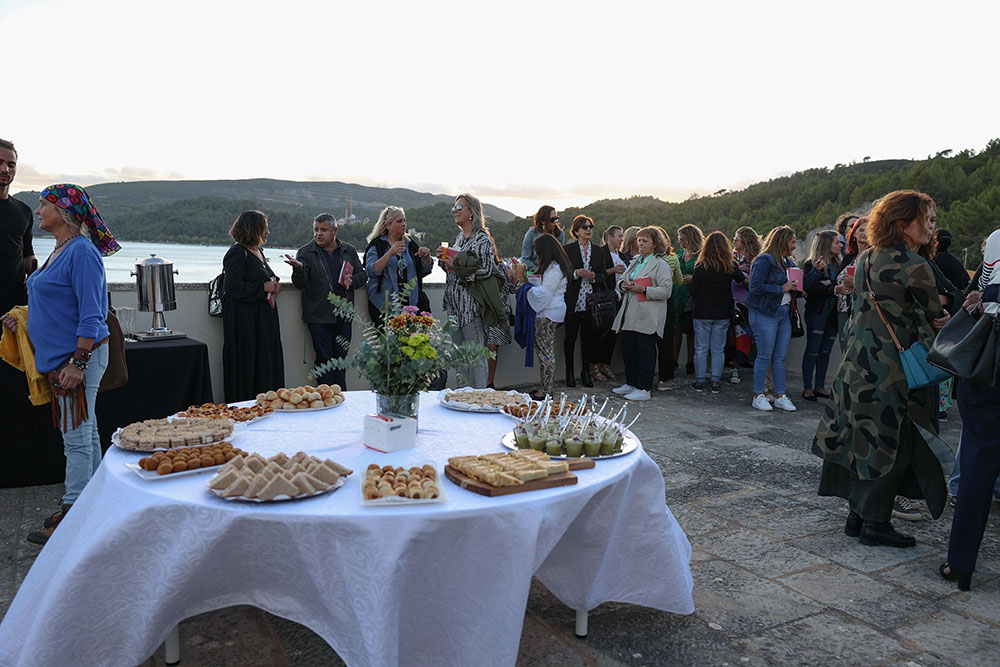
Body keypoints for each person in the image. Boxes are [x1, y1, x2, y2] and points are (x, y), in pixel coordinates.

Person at [813, 190, 949, 549]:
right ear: (903, 225)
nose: (931, 226)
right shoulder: (915, 266)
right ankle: (875, 522)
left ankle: (857, 516)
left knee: (863, 437)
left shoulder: (869, 257)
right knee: (893, 444)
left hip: (858, 364)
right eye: (926, 219)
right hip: (895, 371)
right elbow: (934, 316)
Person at [1, 184, 119, 544]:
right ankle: (98, 508)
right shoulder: (61, 249)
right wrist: (22, 317)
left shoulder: (81, 252)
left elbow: (92, 314)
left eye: (43, 205)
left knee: (77, 438)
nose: (37, 211)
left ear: (63, 211)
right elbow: (54, 300)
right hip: (63, 359)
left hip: (76, 359)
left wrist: (78, 363)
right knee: (84, 433)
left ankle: (73, 516)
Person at [942, 228, 1000, 590]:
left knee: (977, 466)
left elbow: (980, 293)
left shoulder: (996, 239)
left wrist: (983, 297)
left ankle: (961, 564)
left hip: (991, 363)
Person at [285, 213, 367, 389]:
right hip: (318, 316)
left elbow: (363, 275)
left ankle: (341, 398)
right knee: (324, 359)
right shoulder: (305, 252)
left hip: (344, 315)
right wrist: (298, 269)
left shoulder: (349, 250)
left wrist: (353, 281)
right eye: (315, 230)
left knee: (341, 361)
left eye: (323, 230)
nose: (318, 234)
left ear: (335, 231)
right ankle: (326, 399)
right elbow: (300, 284)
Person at [222, 210, 284, 403]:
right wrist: (262, 287)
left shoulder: (258, 252)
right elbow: (232, 287)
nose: (268, 232)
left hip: (262, 320)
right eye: (265, 228)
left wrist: (273, 285)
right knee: (248, 364)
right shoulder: (237, 253)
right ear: (253, 229)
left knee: (265, 363)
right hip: (246, 323)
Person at [438, 193, 495, 388]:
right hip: (453, 307)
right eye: (453, 208)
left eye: (459, 208)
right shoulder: (460, 238)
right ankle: (461, 398)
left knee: (477, 355)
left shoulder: (482, 240)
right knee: (460, 356)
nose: (455, 211)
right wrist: (445, 263)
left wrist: (458, 266)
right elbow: (455, 268)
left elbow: (486, 270)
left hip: (470, 307)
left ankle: (481, 398)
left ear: (471, 211)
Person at [611, 226, 673, 401]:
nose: (640, 243)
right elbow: (623, 279)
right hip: (630, 313)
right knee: (628, 349)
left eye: (645, 240)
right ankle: (631, 383)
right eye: (639, 239)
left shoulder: (661, 264)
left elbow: (667, 291)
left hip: (648, 315)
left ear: (655, 244)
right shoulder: (636, 261)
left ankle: (644, 388)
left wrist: (644, 289)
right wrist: (622, 285)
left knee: (645, 351)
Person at [746, 225, 798, 412]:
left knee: (780, 357)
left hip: (783, 314)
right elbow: (755, 287)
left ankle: (780, 395)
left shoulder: (789, 263)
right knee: (764, 355)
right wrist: (781, 288)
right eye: (792, 242)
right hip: (765, 314)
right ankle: (758, 395)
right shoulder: (764, 260)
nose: (794, 246)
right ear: (783, 241)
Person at [689, 231, 745, 393]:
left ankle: (699, 381)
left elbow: (693, 291)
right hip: (722, 312)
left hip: (702, 312)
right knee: (718, 349)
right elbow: (742, 280)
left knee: (700, 348)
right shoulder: (730, 265)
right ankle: (715, 382)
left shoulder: (701, 266)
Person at [521, 234, 572, 400]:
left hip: (548, 313)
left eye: (538, 251)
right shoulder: (555, 267)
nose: (536, 254)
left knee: (545, 353)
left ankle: (546, 391)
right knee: (545, 352)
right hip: (551, 311)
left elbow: (544, 293)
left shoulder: (555, 269)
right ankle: (545, 388)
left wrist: (526, 289)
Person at [364, 206, 433, 327]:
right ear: (388, 225)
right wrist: (390, 253)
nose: (404, 224)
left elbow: (425, 269)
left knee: (413, 343)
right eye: (399, 221)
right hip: (385, 306)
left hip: (411, 304)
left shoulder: (410, 244)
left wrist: (426, 257)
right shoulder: (377, 245)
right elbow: (371, 271)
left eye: (404, 220)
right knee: (390, 344)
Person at [562, 215, 609, 387]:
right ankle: (569, 373)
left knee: (588, 340)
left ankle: (585, 374)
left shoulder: (598, 250)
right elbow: (562, 272)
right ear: (576, 231)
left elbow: (603, 274)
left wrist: (594, 276)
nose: (588, 229)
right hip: (573, 301)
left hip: (591, 302)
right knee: (570, 339)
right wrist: (576, 274)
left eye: (590, 227)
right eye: (585, 227)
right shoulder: (568, 249)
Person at [801, 230, 842, 401]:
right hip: (817, 313)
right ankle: (807, 388)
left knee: (825, 352)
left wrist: (828, 285)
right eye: (836, 242)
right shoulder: (811, 264)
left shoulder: (839, 265)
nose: (840, 245)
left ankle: (820, 386)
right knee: (813, 350)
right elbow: (810, 288)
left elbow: (839, 285)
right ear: (826, 244)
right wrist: (832, 288)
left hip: (833, 315)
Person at [0, 139, 34, 314]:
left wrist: (39, 275)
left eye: (11, 164)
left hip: (14, 310)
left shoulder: (24, 211)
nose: (5, 169)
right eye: (0, 162)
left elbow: (28, 256)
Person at [594, 225, 630, 380]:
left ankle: (605, 365)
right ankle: (594, 366)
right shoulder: (600, 253)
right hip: (604, 299)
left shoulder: (623, 256)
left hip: (619, 299)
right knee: (600, 334)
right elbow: (596, 275)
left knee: (612, 335)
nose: (622, 239)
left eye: (622, 236)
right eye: (619, 236)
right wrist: (613, 270)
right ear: (609, 237)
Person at [728, 226, 762, 384]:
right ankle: (735, 368)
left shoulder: (757, 260)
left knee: (752, 337)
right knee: (734, 337)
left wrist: (740, 276)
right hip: (733, 303)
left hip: (750, 304)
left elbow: (755, 284)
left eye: (737, 237)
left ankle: (756, 367)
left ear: (746, 240)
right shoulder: (731, 258)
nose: (734, 240)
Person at [833, 216, 870, 350]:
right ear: (853, 233)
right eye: (860, 230)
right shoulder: (849, 257)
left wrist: (856, 283)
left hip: (864, 312)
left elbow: (880, 284)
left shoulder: (875, 256)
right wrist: (838, 289)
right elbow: (835, 282)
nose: (864, 233)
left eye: (868, 230)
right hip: (843, 310)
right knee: (845, 351)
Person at [673, 224, 704, 376]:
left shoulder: (702, 256)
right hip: (677, 293)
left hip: (692, 295)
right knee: (675, 328)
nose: (680, 242)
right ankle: (673, 361)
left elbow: (707, 274)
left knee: (691, 331)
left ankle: (690, 363)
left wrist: (694, 278)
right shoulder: (678, 254)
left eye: (683, 239)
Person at [654, 231, 684, 390]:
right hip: (667, 301)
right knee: (665, 341)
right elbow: (679, 281)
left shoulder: (646, 260)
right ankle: (665, 378)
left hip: (649, 301)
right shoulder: (673, 259)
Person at [519, 205, 564, 272]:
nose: (555, 222)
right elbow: (525, 259)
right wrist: (537, 270)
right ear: (543, 221)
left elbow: (561, 257)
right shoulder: (531, 234)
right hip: (535, 272)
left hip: (554, 272)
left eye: (556, 219)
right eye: (552, 220)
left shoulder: (559, 234)